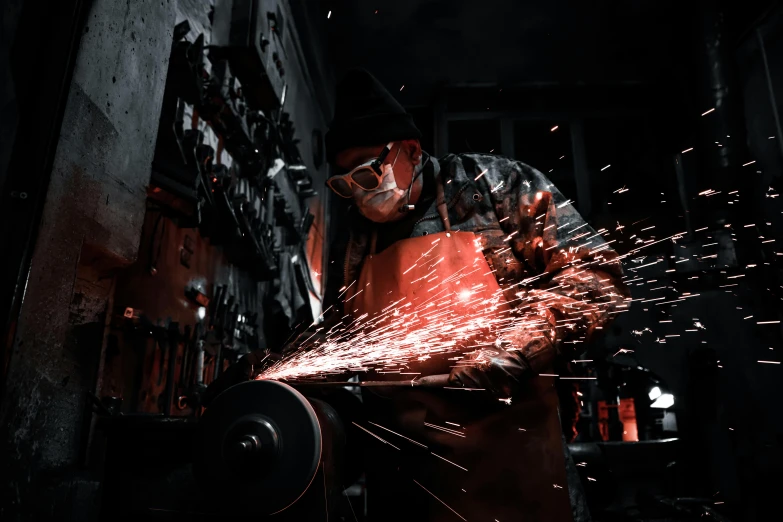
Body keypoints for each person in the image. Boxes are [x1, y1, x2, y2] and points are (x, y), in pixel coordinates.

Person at [205, 69, 629, 521]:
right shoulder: (357, 245)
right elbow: (341, 342)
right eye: (346, 185)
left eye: (368, 173)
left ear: (409, 150)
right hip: (413, 479)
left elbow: (596, 278)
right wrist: (272, 368)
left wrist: (518, 351)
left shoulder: (495, 187)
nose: (361, 194)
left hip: (515, 460)